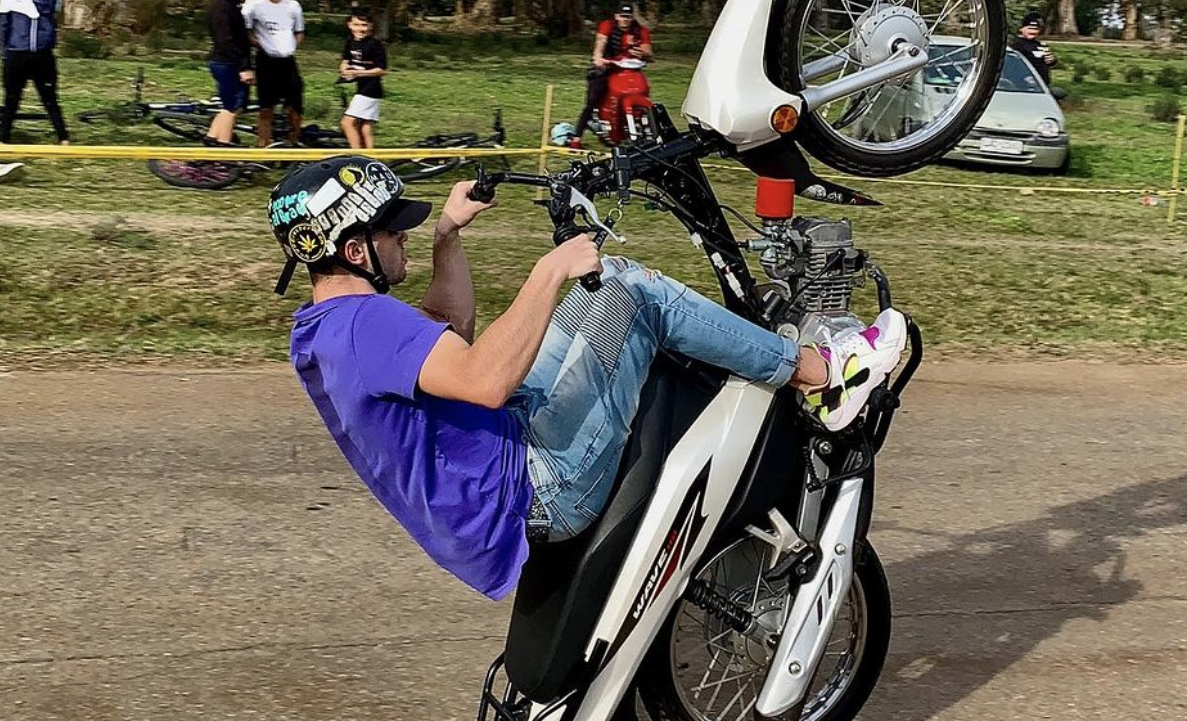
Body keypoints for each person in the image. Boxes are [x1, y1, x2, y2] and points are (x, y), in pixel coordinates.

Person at [270, 158, 908, 600]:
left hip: (508, 453)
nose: (401, 235)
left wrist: (445, 236)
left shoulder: (332, 326)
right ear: (356, 251)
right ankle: (822, 375)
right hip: (538, 487)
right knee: (632, 292)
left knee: (611, 290)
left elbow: (447, 331)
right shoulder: (366, 324)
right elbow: (485, 378)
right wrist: (547, 273)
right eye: (392, 230)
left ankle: (760, 366)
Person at [576, 2, 652, 142]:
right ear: (616, 16)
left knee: (644, 89)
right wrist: (598, 58)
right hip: (608, 67)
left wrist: (643, 53)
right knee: (593, 100)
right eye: (623, 16)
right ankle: (577, 137)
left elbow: (648, 50)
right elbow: (600, 43)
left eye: (628, 17)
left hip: (630, 70)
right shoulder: (607, 26)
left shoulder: (639, 30)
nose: (625, 19)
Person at [0, 0, 70, 145]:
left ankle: (63, 137)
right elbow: (3, 25)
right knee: (12, 98)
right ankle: (3, 137)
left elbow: (54, 18)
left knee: (49, 98)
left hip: (42, 54)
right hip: (17, 53)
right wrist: (5, 54)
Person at [244, 0, 305, 146]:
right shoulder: (253, 5)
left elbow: (299, 32)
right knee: (266, 107)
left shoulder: (293, 5)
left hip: (287, 61)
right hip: (265, 61)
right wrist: (263, 45)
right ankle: (263, 145)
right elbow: (247, 32)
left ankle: (293, 142)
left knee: (295, 107)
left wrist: (289, 46)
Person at [206, 0, 255, 144]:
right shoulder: (223, 8)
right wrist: (243, 67)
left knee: (231, 106)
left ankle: (212, 139)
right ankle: (224, 146)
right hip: (227, 63)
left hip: (227, 62)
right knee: (233, 107)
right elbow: (225, 41)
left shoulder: (228, 6)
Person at [339, 10, 387, 150]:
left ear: (370, 26)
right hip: (360, 87)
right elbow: (346, 59)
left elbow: (381, 70)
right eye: (356, 24)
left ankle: (356, 154)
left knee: (347, 122)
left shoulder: (375, 44)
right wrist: (344, 69)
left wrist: (357, 73)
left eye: (364, 25)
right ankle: (369, 155)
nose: (360, 29)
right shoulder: (350, 41)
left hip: (371, 89)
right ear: (349, 25)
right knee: (364, 126)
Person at [1011, 11, 1056, 87]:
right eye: (1030, 28)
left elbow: (1049, 61)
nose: (1033, 32)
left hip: (1042, 85)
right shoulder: (1016, 45)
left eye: (1036, 29)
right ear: (1021, 29)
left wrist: (1051, 60)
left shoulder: (1039, 44)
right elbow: (1013, 66)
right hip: (1023, 85)